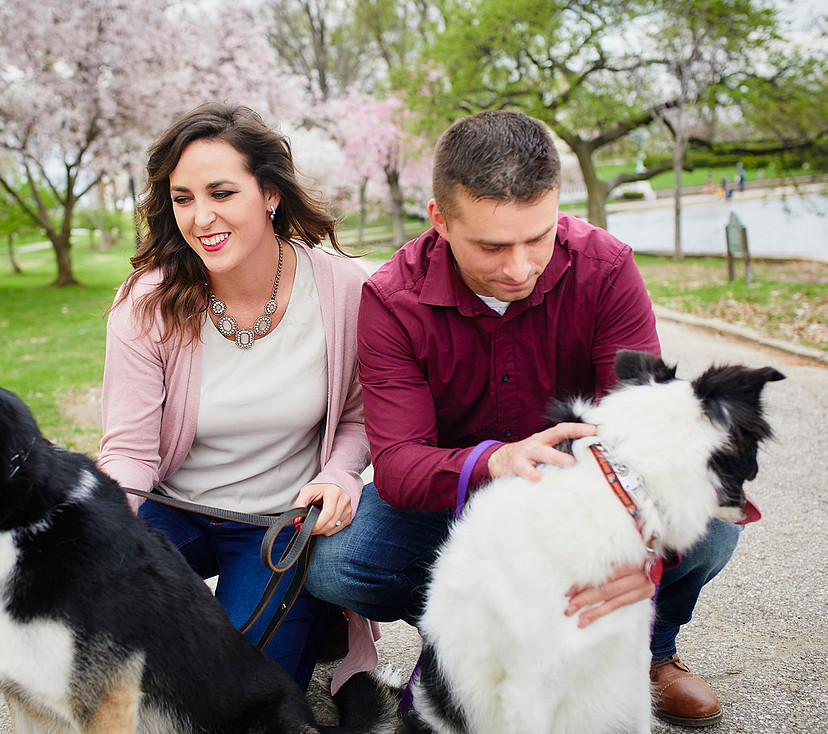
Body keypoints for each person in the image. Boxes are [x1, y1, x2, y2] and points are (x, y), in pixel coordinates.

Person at [307, 110, 748, 727]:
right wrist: (498, 459)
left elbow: (646, 437)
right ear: (439, 219)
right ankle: (477, 637)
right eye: (491, 245)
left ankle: (652, 647)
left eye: (537, 237)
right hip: (458, 511)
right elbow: (403, 465)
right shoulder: (390, 298)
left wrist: (642, 557)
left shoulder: (608, 267)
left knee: (712, 526)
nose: (518, 267)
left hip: (583, 503)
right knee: (337, 562)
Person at [98, 102, 373, 691]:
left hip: (274, 527)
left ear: (269, 193)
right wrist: (100, 535)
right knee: (125, 654)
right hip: (173, 511)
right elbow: (128, 451)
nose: (201, 218)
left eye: (221, 193)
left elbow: (358, 413)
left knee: (242, 694)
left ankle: (313, 612)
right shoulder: (148, 301)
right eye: (183, 198)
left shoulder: (346, 287)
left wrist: (343, 474)